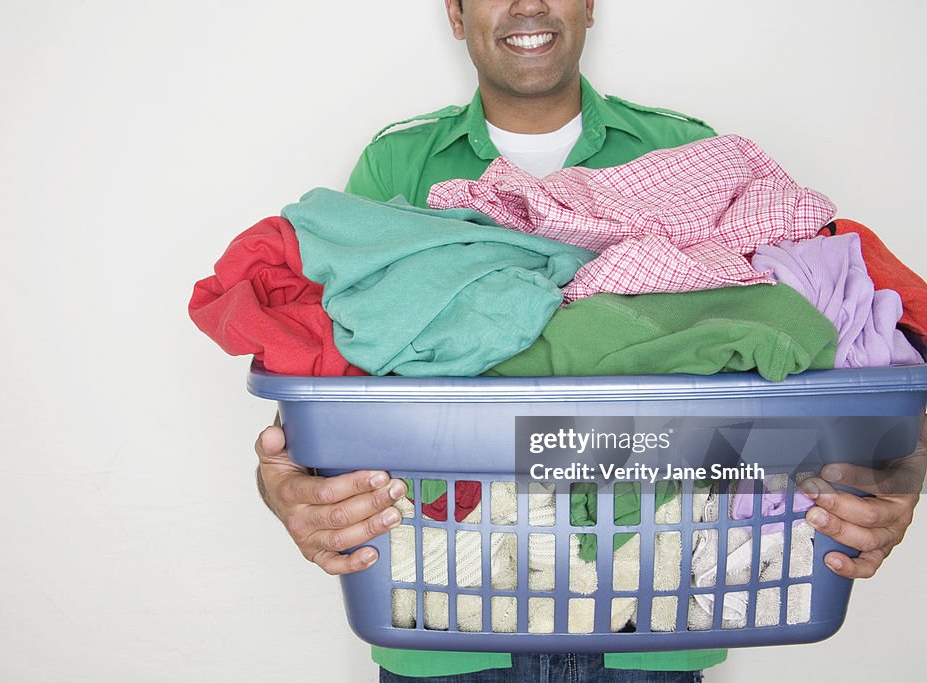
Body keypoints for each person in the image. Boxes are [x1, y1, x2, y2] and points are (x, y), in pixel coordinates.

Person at [253, 1, 927, 680]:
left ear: (589, 6)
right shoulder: (397, 167)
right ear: (455, 14)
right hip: (447, 629)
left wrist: (896, 463)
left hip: (650, 625)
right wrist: (286, 485)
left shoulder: (692, 158)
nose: (528, 3)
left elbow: (797, 373)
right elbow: (333, 380)